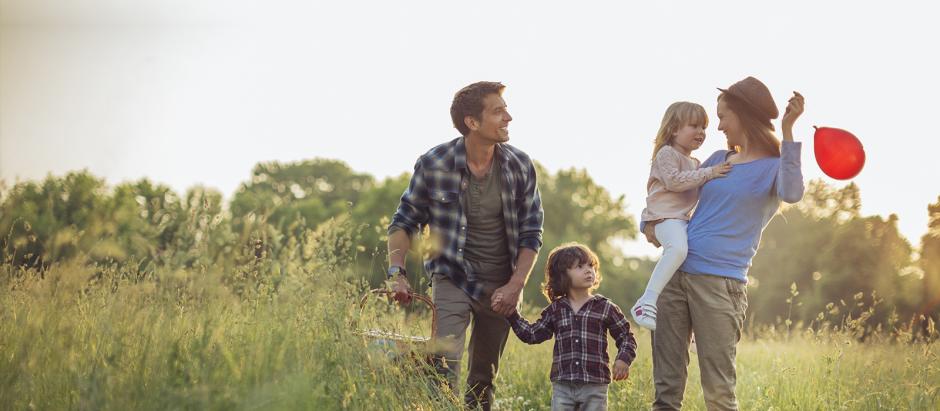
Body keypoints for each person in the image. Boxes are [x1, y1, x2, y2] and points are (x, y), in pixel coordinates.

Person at [643, 76, 805, 410]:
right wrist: (653, 223)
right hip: (675, 277)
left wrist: (788, 131)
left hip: (720, 285)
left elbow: (792, 193)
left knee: (718, 392)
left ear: (743, 117)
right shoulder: (718, 159)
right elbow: (674, 193)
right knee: (666, 391)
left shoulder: (774, 168)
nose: (718, 127)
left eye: (723, 117)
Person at [386, 81, 544, 410]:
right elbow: (404, 222)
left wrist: (516, 285)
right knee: (443, 368)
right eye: (498, 111)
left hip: (502, 285)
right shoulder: (434, 163)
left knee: (483, 380)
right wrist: (396, 272)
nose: (509, 117)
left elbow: (532, 232)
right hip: (451, 277)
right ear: (472, 122)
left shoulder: (519, 165)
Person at [631, 101, 732, 330]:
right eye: (694, 126)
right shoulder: (667, 154)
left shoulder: (696, 163)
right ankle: (646, 301)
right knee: (678, 249)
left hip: (679, 220)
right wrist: (711, 172)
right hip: (661, 217)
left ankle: (698, 328)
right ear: (674, 129)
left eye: (704, 127)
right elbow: (675, 181)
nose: (701, 132)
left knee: (695, 255)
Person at [507, 242, 636, 411]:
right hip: (563, 387)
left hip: (595, 386)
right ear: (562, 275)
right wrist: (511, 313)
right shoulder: (555, 310)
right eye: (580, 266)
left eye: (591, 265)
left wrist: (623, 359)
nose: (589, 270)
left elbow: (626, 336)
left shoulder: (605, 307)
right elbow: (532, 334)